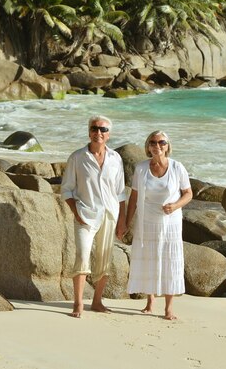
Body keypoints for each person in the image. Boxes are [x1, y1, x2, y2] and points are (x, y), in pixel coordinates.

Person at [61, 115, 127, 318]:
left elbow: (121, 192)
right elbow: (66, 190)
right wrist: (76, 212)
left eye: (103, 130)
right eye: (95, 129)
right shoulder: (77, 157)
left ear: (109, 134)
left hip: (109, 214)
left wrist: (122, 220)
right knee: (82, 255)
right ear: (89, 132)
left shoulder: (116, 158)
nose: (99, 133)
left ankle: (97, 301)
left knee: (104, 260)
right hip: (85, 214)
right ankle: (78, 303)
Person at [122, 131, 192, 320]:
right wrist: (127, 222)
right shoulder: (141, 168)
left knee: (170, 260)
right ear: (148, 146)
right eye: (153, 142)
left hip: (171, 222)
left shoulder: (177, 167)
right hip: (147, 220)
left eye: (161, 142)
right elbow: (134, 196)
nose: (157, 145)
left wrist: (176, 205)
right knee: (148, 259)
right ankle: (150, 301)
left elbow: (188, 193)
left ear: (168, 146)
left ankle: (169, 308)